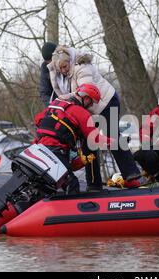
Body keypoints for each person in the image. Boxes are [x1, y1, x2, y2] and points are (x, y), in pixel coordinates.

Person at [47, 45, 142, 190]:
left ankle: (131, 174)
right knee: (88, 142)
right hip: (87, 109)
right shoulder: (59, 75)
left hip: (106, 101)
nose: (63, 71)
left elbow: (86, 91)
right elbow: (59, 93)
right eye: (60, 69)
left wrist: (65, 98)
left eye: (65, 66)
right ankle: (94, 183)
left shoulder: (81, 67)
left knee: (112, 134)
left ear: (70, 61)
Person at [34, 84, 115, 195]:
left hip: (37, 148)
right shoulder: (81, 112)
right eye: (91, 102)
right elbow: (95, 139)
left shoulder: (55, 105)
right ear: (85, 98)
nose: (91, 106)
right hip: (56, 151)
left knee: (42, 182)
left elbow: (38, 120)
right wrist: (113, 142)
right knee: (72, 184)